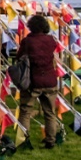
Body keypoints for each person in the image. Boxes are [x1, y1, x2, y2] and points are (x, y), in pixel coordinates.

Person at [15, 14, 62, 149]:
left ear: (31, 26)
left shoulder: (27, 42)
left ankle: (23, 140)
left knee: (25, 112)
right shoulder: (51, 40)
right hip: (49, 81)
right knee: (50, 112)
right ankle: (51, 140)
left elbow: (19, 57)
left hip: (32, 82)